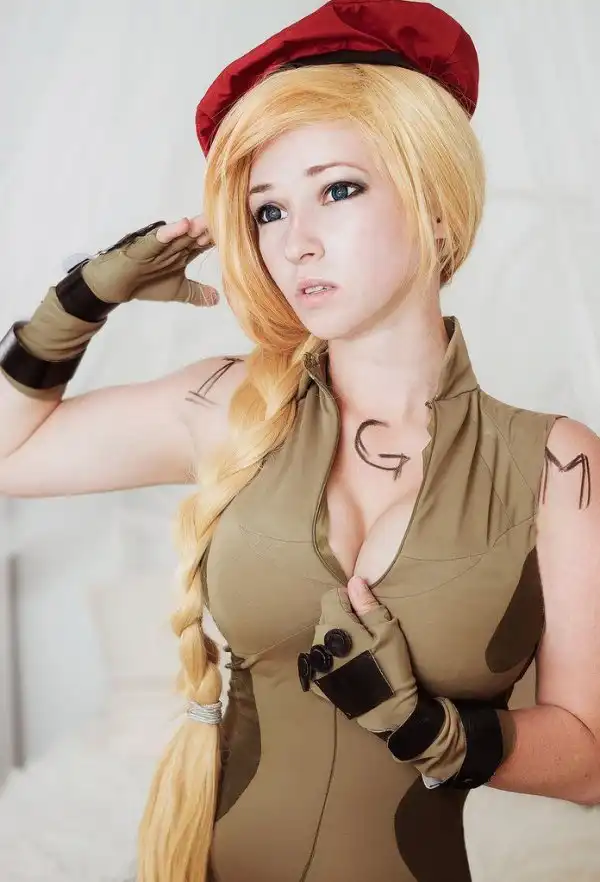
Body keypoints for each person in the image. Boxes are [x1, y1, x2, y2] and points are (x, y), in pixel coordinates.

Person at [1, 2, 599, 881]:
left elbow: (588, 760)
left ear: (437, 208)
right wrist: (77, 304)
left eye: (339, 190)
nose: (296, 244)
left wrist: (428, 731)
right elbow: (11, 455)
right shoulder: (231, 404)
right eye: (269, 211)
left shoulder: (557, 464)